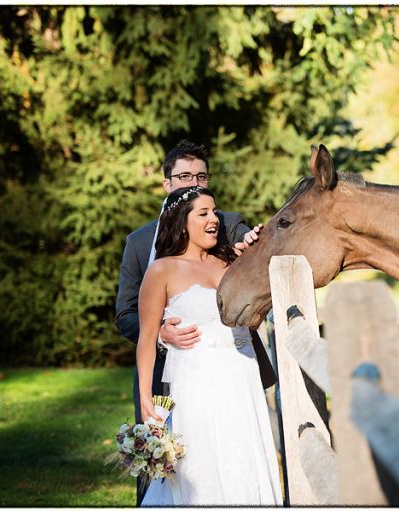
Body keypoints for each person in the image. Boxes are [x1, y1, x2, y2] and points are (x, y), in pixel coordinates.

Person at [114, 140, 272, 505]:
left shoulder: (228, 241)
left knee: (245, 460)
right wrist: (160, 335)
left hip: (240, 376)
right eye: (185, 177)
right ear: (168, 183)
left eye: (201, 177)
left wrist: (252, 244)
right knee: (182, 468)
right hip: (187, 376)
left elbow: (247, 242)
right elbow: (129, 318)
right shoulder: (144, 249)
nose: (195, 183)